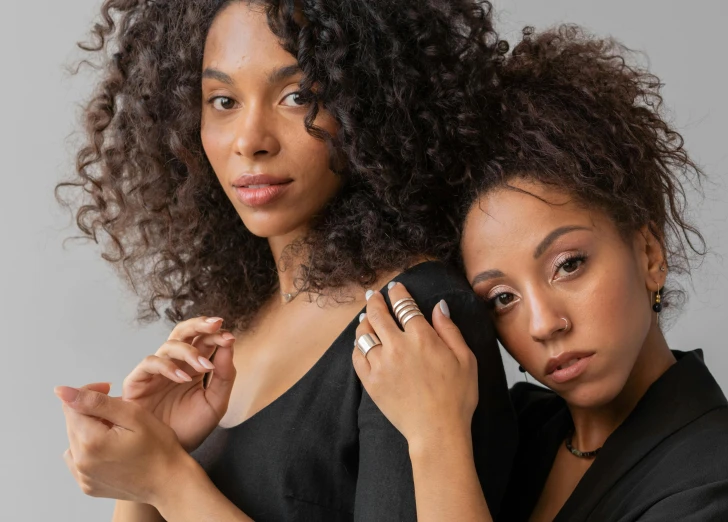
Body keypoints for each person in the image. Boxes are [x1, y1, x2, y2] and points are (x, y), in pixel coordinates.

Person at [53, 1, 518, 520]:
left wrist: (167, 479)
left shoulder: (416, 317)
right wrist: (144, 459)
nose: (250, 141)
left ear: (371, 104)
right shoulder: (233, 325)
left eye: (298, 96)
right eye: (223, 100)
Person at [353, 25, 728, 521]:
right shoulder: (514, 430)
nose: (543, 324)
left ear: (649, 253)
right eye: (502, 298)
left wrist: (436, 437)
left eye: (568, 265)